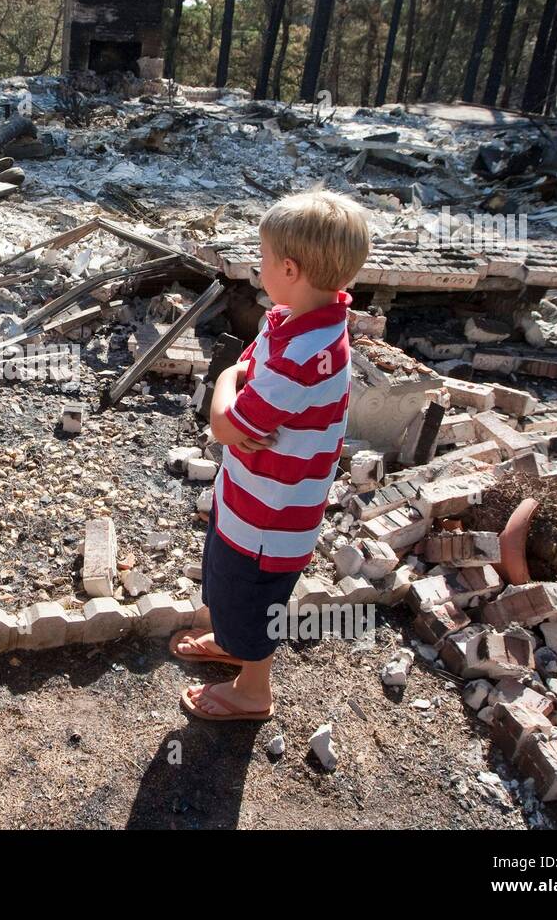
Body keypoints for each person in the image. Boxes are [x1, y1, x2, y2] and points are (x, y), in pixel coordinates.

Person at [171, 188, 371, 721]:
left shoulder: (303, 355)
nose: (258, 269)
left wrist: (224, 380)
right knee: (226, 583)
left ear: (289, 268)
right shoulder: (298, 320)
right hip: (254, 496)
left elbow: (224, 423)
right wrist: (239, 384)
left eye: (262, 260)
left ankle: (252, 690)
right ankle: (232, 641)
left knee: (251, 601)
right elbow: (246, 388)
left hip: (268, 518)